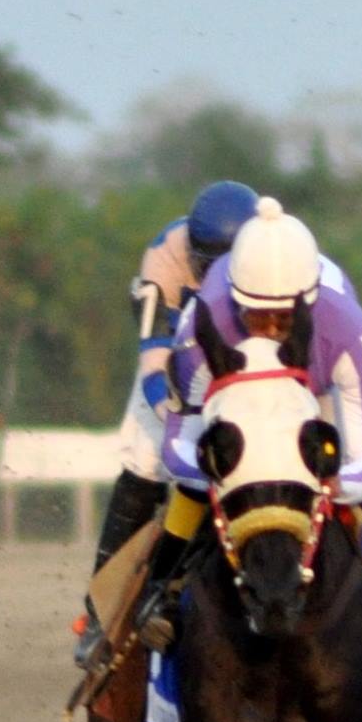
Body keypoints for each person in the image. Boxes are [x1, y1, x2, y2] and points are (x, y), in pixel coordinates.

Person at [145, 196, 362, 666]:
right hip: (233, 398)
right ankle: (159, 589)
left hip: (313, 393)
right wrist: (231, 476)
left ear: (308, 307)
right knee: (197, 483)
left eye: (284, 318)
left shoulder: (354, 337)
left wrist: (322, 482)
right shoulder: (200, 331)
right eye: (255, 316)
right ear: (234, 301)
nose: (269, 329)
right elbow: (178, 450)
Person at [76, 181, 258, 665]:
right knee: (145, 461)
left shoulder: (276, 253)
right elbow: (155, 365)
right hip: (179, 364)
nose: (213, 276)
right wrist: (178, 422)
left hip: (254, 362)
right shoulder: (165, 255)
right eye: (204, 264)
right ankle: (100, 615)